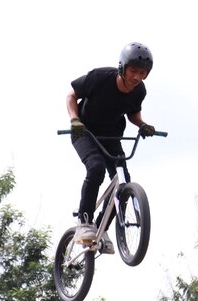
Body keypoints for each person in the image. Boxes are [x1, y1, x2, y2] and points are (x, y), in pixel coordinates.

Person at [66, 42, 157, 253]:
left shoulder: (139, 91)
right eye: (133, 71)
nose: (137, 77)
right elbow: (71, 95)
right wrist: (74, 120)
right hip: (84, 132)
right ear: (122, 68)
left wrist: (142, 124)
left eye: (142, 73)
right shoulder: (99, 78)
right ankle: (84, 222)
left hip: (111, 136)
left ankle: (101, 229)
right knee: (96, 167)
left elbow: (132, 112)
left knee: (123, 181)